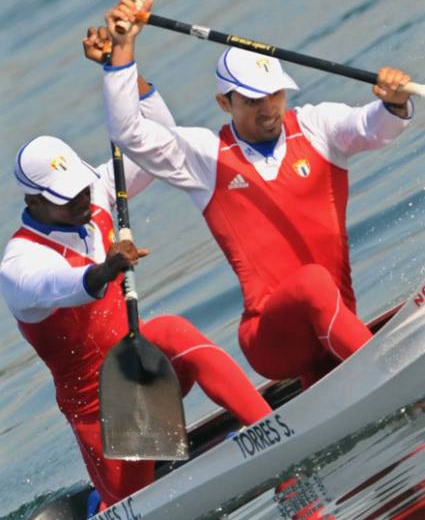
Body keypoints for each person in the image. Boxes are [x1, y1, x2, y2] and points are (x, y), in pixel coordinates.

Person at [102, 0, 414, 390]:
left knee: (321, 291)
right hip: (272, 339)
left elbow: (374, 128)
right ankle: (392, 379)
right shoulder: (205, 157)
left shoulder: (318, 126)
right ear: (224, 103)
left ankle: (345, 373)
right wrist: (123, 47)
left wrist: (395, 102)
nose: (268, 108)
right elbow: (128, 132)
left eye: (275, 93)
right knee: (313, 282)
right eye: (252, 100)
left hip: (336, 317)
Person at [0, 135, 272, 510]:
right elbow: (60, 285)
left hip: (146, 368)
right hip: (103, 410)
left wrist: (125, 79)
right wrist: (106, 269)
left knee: (170, 330)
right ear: (34, 202)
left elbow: (153, 142)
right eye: (66, 197)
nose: (81, 198)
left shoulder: (93, 192)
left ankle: (271, 426)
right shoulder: (18, 264)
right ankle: (102, 502)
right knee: (135, 503)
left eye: (81, 186)